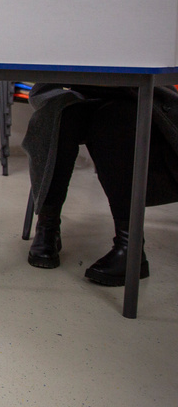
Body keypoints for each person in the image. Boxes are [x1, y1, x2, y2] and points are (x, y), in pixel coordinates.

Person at [23, 83, 178, 286]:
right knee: (60, 117)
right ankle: (47, 227)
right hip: (73, 91)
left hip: (134, 92)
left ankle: (130, 246)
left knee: (113, 120)